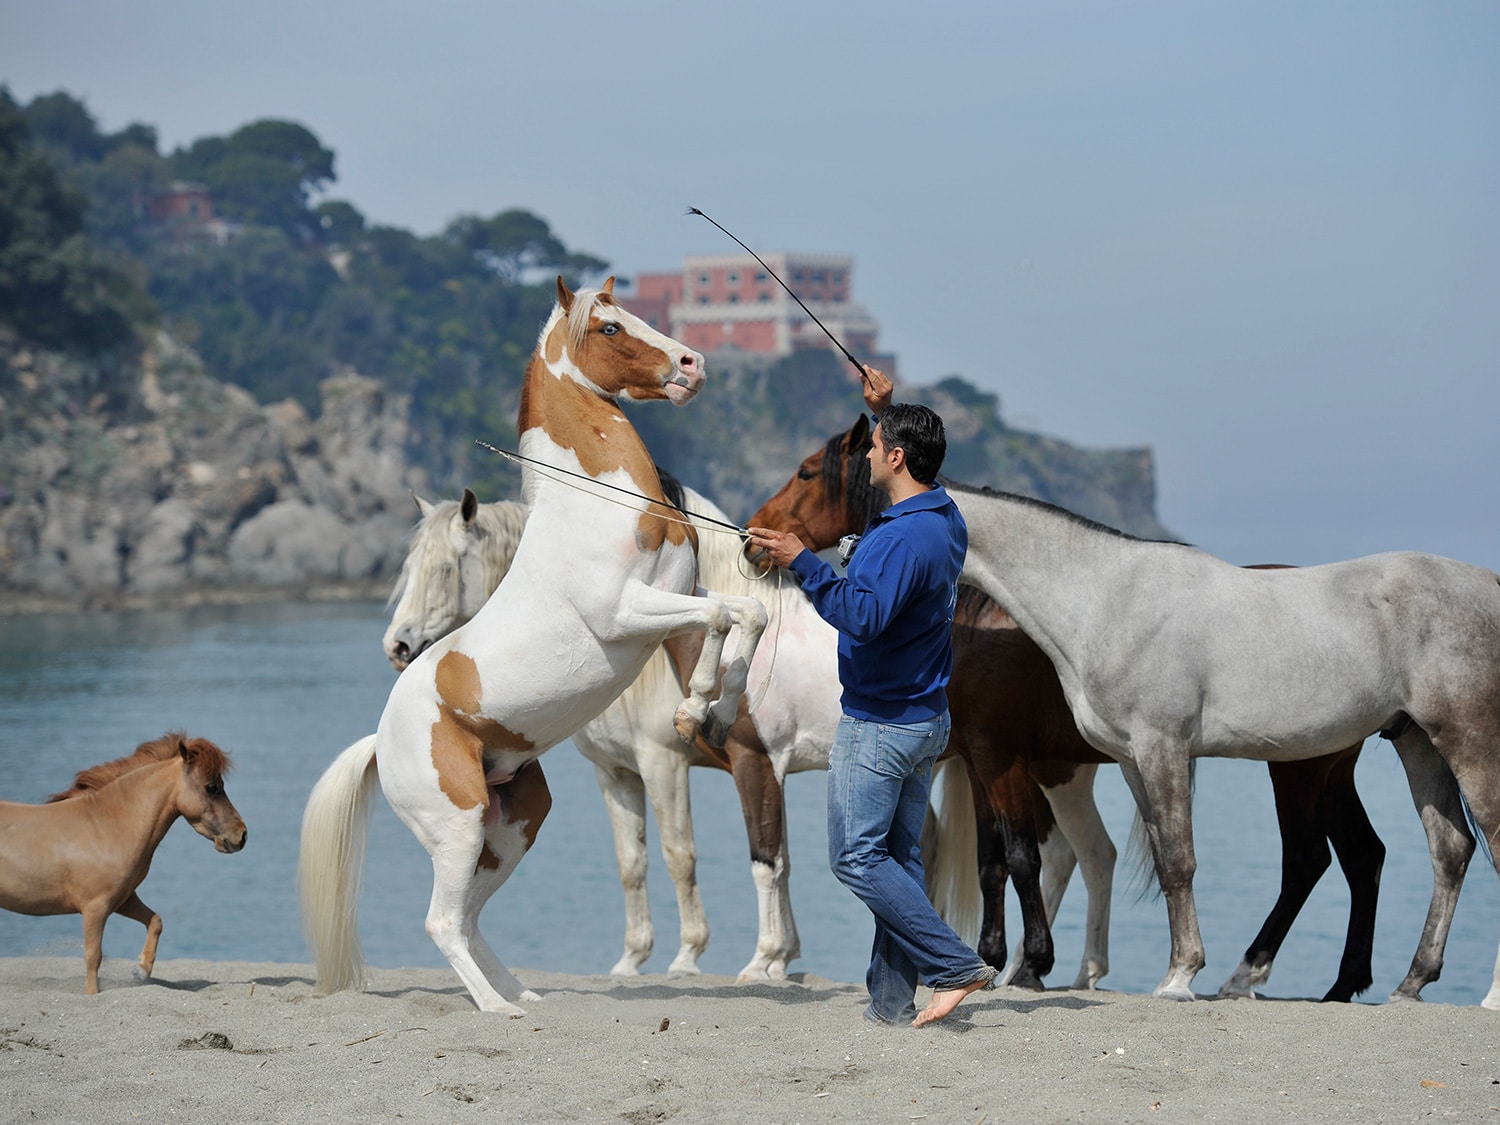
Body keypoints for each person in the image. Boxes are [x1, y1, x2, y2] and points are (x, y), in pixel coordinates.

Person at [746, 365, 995, 1028]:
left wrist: (804, 560)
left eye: (874, 439)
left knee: (855, 856)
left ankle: (954, 964)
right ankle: (890, 1001)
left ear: (896, 457)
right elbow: (889, 534)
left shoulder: (902, 538)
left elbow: (861, 615)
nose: (864, 452)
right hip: (923, 720)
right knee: (899, 859)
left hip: (882, 724)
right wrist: (885, 406)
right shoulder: (940, 516)